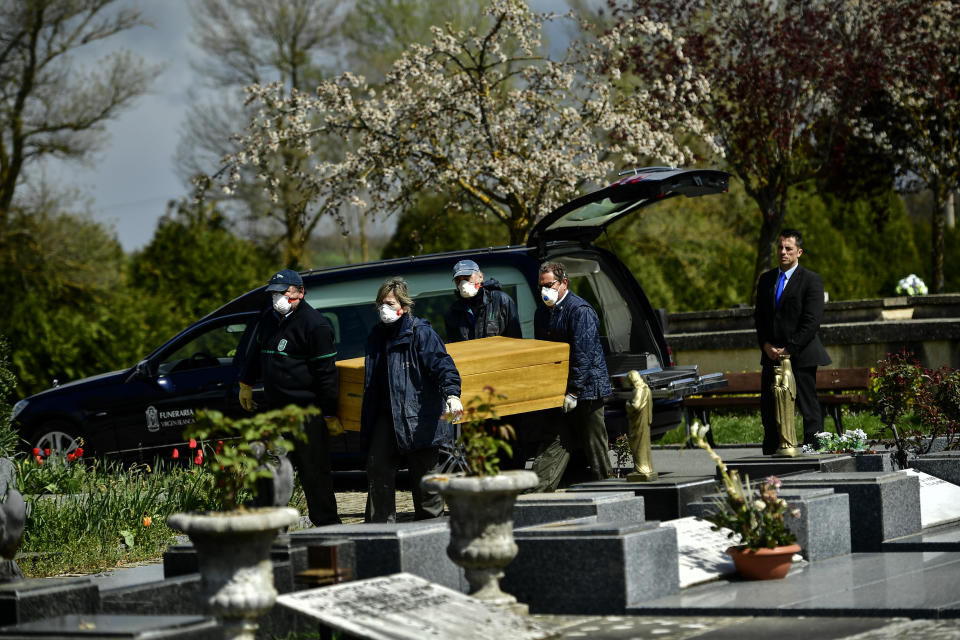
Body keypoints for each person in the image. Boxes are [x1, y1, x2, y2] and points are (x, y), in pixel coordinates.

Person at [238, 268, 341, 525]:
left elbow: (326, 375)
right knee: (271, 466)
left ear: (300, 293)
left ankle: (327, 525)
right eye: (273, 294)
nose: (277, 299)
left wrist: (329, 413)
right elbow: (256, 354)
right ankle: (271, 524)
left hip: (307, 412)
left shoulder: (315, 325)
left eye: (283, 293)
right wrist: (245, 383)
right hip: (276, 411)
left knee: (314, 472)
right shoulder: (269, 319)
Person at [362, 277, 463, 522]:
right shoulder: (376, 335)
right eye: (381, 304)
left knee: (425, 478)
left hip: (419, 414)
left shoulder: (421, 333)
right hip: (386, 415)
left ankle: (431, 530)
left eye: (389, 303)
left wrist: (452, 393)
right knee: (378, 469)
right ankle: (379, 532)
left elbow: (442, 365)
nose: (383, 309)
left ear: (404, 306)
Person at [529, 261, 612, 491]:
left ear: (564, 282)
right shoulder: (542, 314)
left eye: (549, 284)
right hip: (560, 391)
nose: (545, 290)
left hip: (587, 391)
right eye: (541, 286)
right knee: (554, 442)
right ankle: (536, 493)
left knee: (595, 446)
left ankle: (610, 490)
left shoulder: (580, 311)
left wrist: (573, 391)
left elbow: (582, 354)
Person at [754, 229, 832, 454]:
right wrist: (766, 345)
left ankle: (813, 447)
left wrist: (789, 349)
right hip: (771, 354)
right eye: (780, 248)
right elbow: (760, 318)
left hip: (801, 354)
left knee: (807, 404)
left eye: (788, 248)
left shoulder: (811, 280)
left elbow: (812, 321)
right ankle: (772, 447)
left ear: (799, 251)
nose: (783, 252)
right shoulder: (767, 279)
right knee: (769, 405)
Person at [444, 259, 522, 343]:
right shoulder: (453, 313)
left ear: (480, 277)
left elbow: (516, 341)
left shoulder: (501, 301)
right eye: (458, 280)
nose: (463, 284)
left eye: (467, 278)